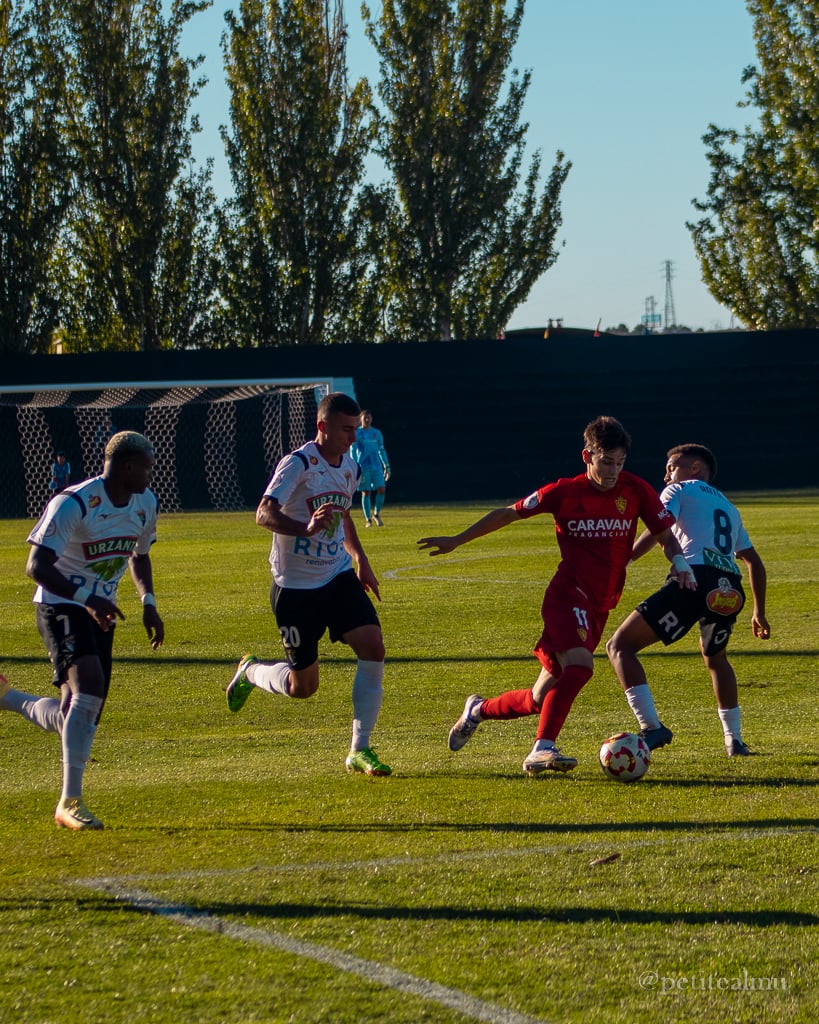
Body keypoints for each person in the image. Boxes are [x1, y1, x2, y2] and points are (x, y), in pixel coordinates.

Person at [418, 415, 696, 776]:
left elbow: (665, 534)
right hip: (567, 596)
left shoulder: (635, 489)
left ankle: (477, 710)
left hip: (599, 605)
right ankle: (541, 749)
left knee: (538, 698)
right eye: (606, 461)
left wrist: (681, 563)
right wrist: (457, 540)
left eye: (620, 462)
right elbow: (509, 513)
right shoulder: (564, 492)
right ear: (587, 456)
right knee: (580, 667)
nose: (613, 471)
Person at [0, 431, 164, 830]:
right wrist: (88, 598)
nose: (151, 472)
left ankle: (8, 697)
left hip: (99, 611)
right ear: (126, 466)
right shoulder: (74, 502)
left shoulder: (146, 502)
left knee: (81, 715)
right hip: (60, 605)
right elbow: (36, 566)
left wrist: (149, 603)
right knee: (89, 687)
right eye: (147, 465)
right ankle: (69, 802)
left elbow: (138, 556)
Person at [225, 392, 391, 777]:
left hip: (336, 576)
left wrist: (359, 559)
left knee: (373, 647)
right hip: (296, 589)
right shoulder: (298, 464)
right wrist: (305, 527)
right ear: (322, 427)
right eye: (346, 430)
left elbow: (344, 516)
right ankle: (251, 672)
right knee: (304, 688)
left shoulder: (348, 467)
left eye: (355, 429)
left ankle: (359, 749)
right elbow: (263, 513)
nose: (353, 437)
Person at [606, 443, 770, 756]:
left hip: (694, 579)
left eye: (671, 466)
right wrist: (759, 612)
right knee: (716, 659)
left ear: (694, 467)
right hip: (729, 586)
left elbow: (660, 528)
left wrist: (624, 561)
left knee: (619, 646)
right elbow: (754, 561)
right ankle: (734, 741)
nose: (666, 473)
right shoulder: (728, 506)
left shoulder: (677, 490)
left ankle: (651, 727)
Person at [351, 409, 391, 527]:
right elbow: (353, 450)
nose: (367, 420)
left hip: (376, 467)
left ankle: (376, 514)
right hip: (363, 467)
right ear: (361, 419)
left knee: (381, 489)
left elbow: (381, 450)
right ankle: (368, 519)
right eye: (365, 418)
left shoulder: (376, 433)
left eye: (369, 417)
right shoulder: (357, 433)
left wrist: (386, 465)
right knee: (366, 492)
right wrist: (355, 465)